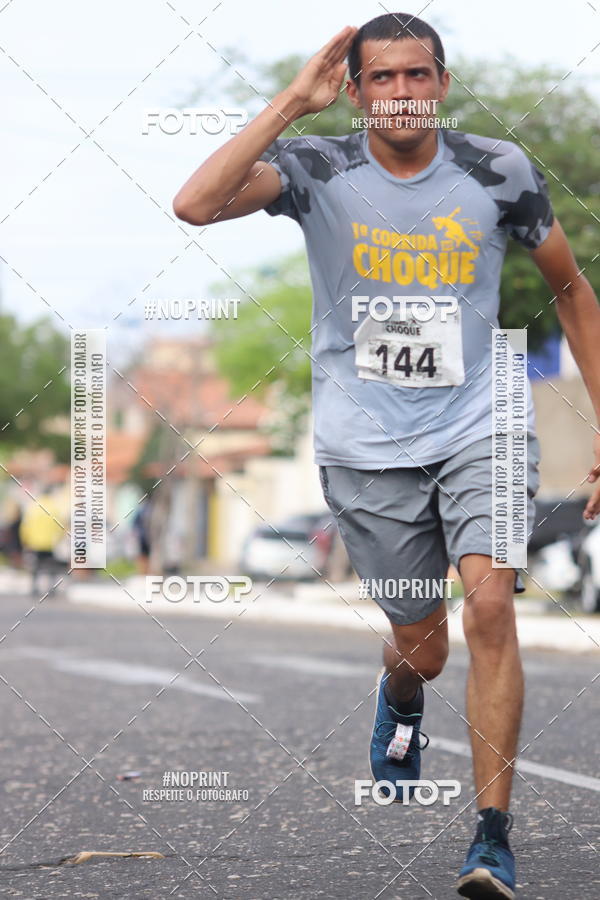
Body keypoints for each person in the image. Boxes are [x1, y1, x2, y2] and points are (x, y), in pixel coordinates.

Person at [173, 13, 600, 898]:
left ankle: (490, 838)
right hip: (367, 445)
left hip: (480, 424)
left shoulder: (496, 171)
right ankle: (401, 697)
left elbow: (571, 288)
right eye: (382, 79)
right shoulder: (316, 168)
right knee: (424, 643)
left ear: (442, 85)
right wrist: (292, 102)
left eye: (417, 76)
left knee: (490, 607)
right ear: (357, 90)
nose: (402, 94)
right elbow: (196, 204)